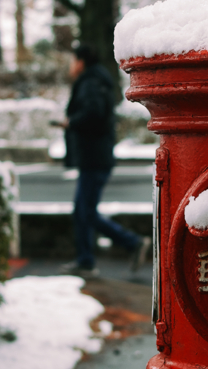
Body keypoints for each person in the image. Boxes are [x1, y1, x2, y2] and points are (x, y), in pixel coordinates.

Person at [58, 44, 151, 278]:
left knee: (85, 212)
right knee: (82, 211)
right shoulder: (96, 81)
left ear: (81, 62)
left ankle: (132, 243)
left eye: (73, 60)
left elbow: (94, 113)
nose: (71, 66)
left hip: (94, 157)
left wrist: (71, 122)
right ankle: (86, 260)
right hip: (94, 156)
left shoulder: (90, 83)